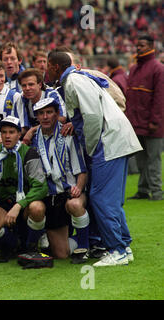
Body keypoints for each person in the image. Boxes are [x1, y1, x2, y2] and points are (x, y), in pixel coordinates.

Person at [47, 50, 142, 267]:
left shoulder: (72, 80)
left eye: (47, 66)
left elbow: (91, 115)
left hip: (107, 143)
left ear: (54, 66)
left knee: (101, 197)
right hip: (115, 140)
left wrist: (91, 148)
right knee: (111, 198)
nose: (46, 70)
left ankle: (117, 249)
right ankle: (124, 245)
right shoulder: (77, 78)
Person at [30, 98, 90, 263]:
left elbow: (82, 171)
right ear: (37, 117)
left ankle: (84, 246)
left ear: (57, 114)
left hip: (68, 194)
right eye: (41, 113)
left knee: (75, 205)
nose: (45, 117)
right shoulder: (34, 140)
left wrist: (78, 188)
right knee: (61, 254)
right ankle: (34, 246)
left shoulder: (68, 134)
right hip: (48, 197)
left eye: (49, 112)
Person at [0, 116, 49, 261]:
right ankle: (12, 244)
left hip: (24, 207)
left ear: (19, 134)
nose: (7, 136)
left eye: (11, 132)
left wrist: (19, 205)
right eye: (4, 132)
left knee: (37, 208)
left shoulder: (30, 153)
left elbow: (41, 187)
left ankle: (31, 246)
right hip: (3, 204)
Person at [125, 35, 164, 201]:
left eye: (141, 45)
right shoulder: (134, 69)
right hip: (135, 123)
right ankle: (143, 190)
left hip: (152, 124)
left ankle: (156, 192)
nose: (138, 48)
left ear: (150, 46)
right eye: (137, 45)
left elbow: (160, 98)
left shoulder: (158, 68)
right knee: (141, 160)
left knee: (153, 159)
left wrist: (155, 121)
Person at [15, 68, 67, 144]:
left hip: (56, 136)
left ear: (39, 85)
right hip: (35, 140)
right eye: (24, 86)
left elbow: (62, 119)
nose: (27, 88)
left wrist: (33, 129)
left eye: (31, 84)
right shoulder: (22, 98)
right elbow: (24, 127)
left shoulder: (51, 94)